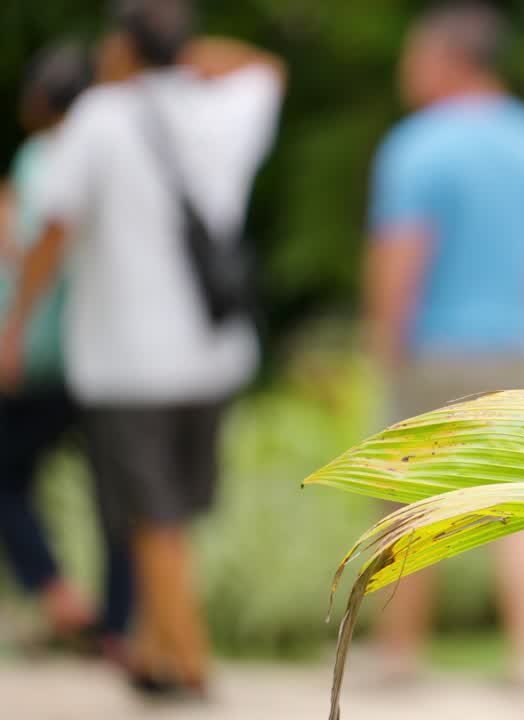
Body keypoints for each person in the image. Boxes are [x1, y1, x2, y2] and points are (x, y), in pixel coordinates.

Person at [0, 0, 285, 697]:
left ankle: (189, 657)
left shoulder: (102, 117)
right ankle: (159, 653)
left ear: (122, 46)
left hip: (130, 357)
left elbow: (54, 230)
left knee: (152, 514)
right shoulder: (218, 109)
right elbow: (264, 67)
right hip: (213, 351)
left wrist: (14, 326)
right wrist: (179, 54)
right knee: (175, 511)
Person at [364, 1, 524, 685]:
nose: (406, 70)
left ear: (448, 60)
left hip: (434, 345)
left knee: (408, 500)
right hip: (523, 343)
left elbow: (402, 254)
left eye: (414, 55)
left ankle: (400, 655)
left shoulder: (416, 144)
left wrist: (382, 341)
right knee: (523, 499)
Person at [0, 40, 134, 664]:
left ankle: (60, 598)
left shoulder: (45, 155)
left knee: (7, 472)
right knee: (116, 494)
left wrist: (14, 330)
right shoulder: (128, 148)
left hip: (53, 351)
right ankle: (117, 624)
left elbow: (39, 251)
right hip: (118, 350)